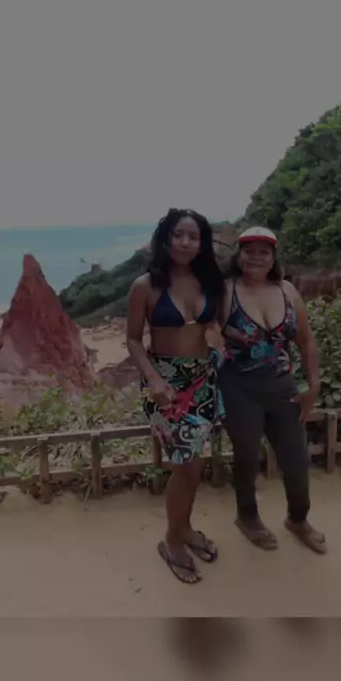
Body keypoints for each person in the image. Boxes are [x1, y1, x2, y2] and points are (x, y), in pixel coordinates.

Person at [126, 209, 225, 583]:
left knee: (193, 465)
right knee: (186, 465)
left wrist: (220, 343)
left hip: (202, 381)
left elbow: (218, 326)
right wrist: (153, 378)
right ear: (166, 239)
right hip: (165, 386)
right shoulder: (144, 286)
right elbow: (133, 339)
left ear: (201, 244)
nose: (185, 242)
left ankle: (183, 529)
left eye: (193, 236)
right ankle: (171, 539)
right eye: (179, 235)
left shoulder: (209, 282)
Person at [218, 226, 327, 554]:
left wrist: (314, 383)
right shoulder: (224, 291)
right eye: (248, 251)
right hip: (238, 389)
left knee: (296, 458)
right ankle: (247, 516)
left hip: (283, 388)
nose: (255, 257)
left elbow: (305, 339)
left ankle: (298, 518)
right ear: (238, 255)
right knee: (247, 457)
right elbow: (201, 333)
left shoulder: (287, 291)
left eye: (263, 251)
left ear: (273, 257)